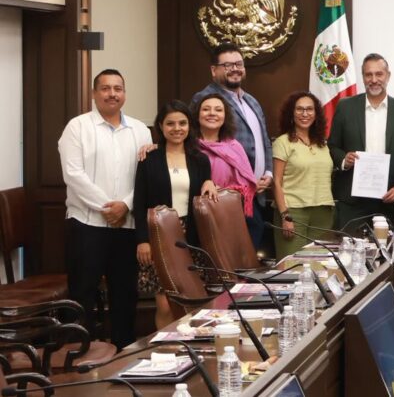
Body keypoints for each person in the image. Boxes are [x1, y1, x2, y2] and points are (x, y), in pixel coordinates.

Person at [58, 69, 153, 349]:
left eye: (118, 88)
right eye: (105, 88)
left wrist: (125, 204)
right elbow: (73, 175)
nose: (112, 93)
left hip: (127, 225)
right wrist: (107, 207)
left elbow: (146, 176)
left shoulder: (140, 130)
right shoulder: (77, 127)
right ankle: (77, 353)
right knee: (82, 292)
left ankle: (124, 351)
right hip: (87, 224)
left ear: (125, 93)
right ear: (93, 93)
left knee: (125, 293)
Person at [133, 100, 217, 329]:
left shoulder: (200, 159)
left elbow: (207, 185)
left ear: (189, 125)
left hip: (192, 237)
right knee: (165, 304)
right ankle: (165, 349)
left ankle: (188, 350)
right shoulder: (149, 159)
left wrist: (210, 182)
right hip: (159, 236)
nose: (177, 128)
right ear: (160, 126)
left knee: (190, 301)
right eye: (170, 124)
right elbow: (139, 204)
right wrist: (143, 240)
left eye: (182, 123)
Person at [191, 43, 274, 246]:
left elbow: (264, 142)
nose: (235, 69)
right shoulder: (205, 100)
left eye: (238, 64)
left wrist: (269, 173)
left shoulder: (252, 101)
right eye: (228, 65)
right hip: (222, 197)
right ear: (214, 70)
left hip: (255, 194)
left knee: (247, 257)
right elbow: (190, 142)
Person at [328, 54, 394, 229]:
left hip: (391, 199)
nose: (374, 79)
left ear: (388, 76)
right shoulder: (345, 107)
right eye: (369, 75)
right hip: (352, 201)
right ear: (363, 77)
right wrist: (344, 160)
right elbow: (332, 145)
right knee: (350, 250)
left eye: (379, 74)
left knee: (392, 253)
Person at [272, 91, 335, 258]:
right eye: (299, 109)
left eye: (309, 109)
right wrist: (285, 215)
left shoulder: (323, 144)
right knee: (292, 268)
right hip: (294, 213)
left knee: (319, 266)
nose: (305, 114)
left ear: (316, 114)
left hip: (323, 212)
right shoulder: (282, 142)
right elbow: (276, 182)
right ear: (291, 114)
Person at [195, 95, 264, 227]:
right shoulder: (189, 146)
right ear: (197, 115)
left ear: (225, 116)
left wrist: (225, 191)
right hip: (202, 215)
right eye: (206, 109)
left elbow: (246, 185)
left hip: (235, 213)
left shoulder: (234, 146)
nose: (212, 113)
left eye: (218, 110)